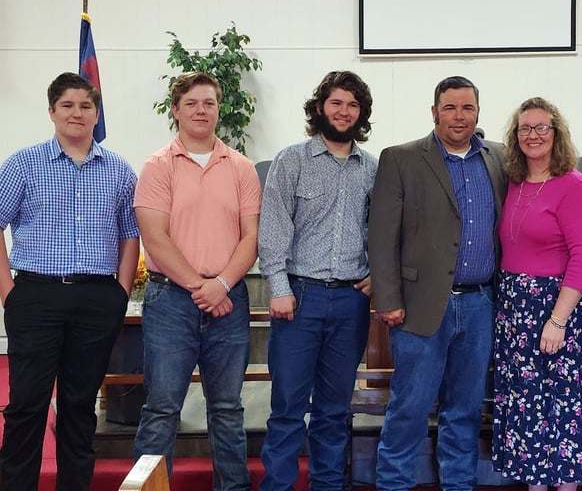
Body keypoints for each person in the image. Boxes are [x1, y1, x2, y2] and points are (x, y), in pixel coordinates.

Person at [0, 72, 139, 491]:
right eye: (68, 105)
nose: (77, 113)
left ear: (97, 113)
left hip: (97, 299)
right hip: (35, 294)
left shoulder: (118, 169)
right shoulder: (22, 164)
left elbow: (130, 235)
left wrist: (121, 293)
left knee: (79, 406)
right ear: (51, 112)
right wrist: (9, 292)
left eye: (86, 105)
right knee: (27, 404)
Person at [369, 76, 506, 490]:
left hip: (481, 303)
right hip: (420, 305)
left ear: (478, 112)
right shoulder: (401, 158)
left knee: (463, 409)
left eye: (467, 108)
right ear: (434, 112)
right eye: (450, 108)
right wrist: (388, 298)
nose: (459, 116)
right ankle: (393, 484)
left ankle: (458, 485)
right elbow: (381, 235)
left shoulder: (500, 158)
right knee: (409, 407)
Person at [132, 71, 261, 491]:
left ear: (218, 108)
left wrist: (221, 284)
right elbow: (155, 237)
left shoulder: (241, 166)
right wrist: (202, 287)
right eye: (191, 103)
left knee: (226, 408)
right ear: (176, 110)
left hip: (229, 299)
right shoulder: (157, 166)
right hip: (171, 301)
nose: (201, 110)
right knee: (162, 408)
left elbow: (252, 237)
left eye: (208, 103)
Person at [257, 70, 377, 491]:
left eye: (352, 105)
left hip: (351, 303)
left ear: (360, 114)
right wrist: (279, 287)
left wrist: (376, 274)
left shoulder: (372, 168)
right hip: (300, 297)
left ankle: (328, 485)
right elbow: (272, 226)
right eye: (336, 103)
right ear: (320, 108)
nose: (343, 112)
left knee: (333, 409)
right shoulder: (292, 161)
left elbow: (381, 230)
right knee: (288, 407)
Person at [491, 97, 582, 490]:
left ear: (557, 134)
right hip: (514, 309)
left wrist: (557, 320)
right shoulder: (514, 181)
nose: (533, 135)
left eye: (542, 127)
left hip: (555, 309)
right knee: (527, 407)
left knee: (561, 407)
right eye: (525, 128)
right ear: (515, 135)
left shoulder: (574, 185)